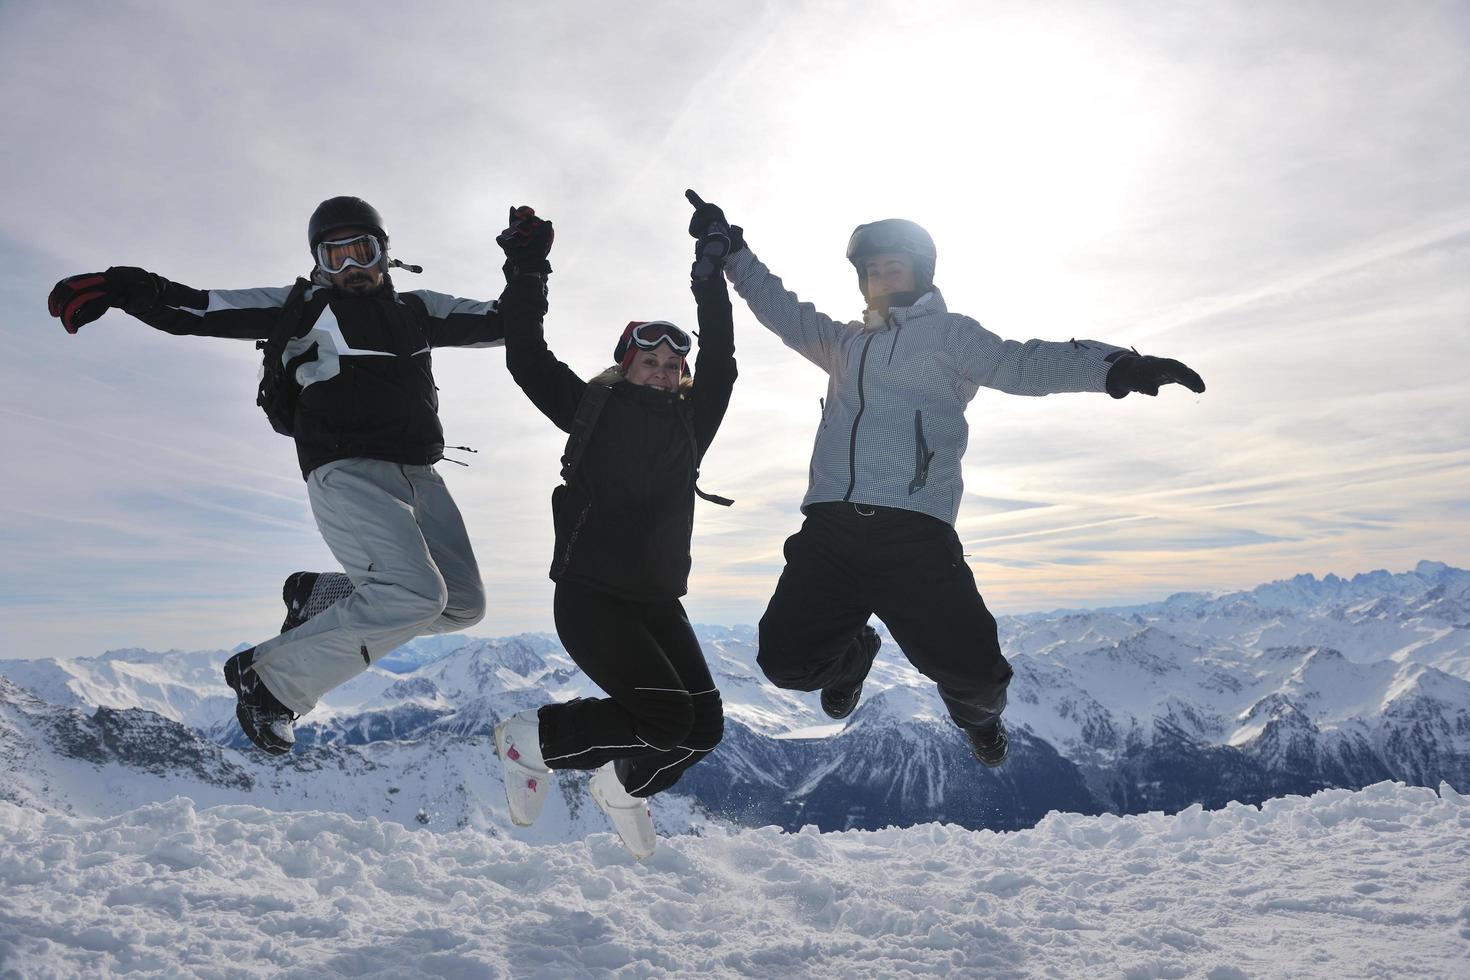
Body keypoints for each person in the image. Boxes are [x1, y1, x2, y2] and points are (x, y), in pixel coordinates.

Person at [696, 200, 1205, 768]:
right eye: (871, 272)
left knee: (976, 673)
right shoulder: (843, 344)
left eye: (892, 268)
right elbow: (782, 310)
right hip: (830, 531)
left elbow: (1023, 364)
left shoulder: (948, 337)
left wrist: (1116, 367)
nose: (880, 280)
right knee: (786, 662)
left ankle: (980, 721)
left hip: (913, 534)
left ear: (920, 271)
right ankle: (856, 655)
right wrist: (734, 252)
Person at [46, 196, 506, 755]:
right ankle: (269, 680)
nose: (351, 267)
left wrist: (528, 267)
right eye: (334, 257)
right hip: (344, 467)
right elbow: (199, 309)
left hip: (420, 473)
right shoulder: (300, 307)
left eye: (362, 250)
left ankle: (318, 595)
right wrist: (125, 288)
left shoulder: (418, 310)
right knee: (413, 594)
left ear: (385, 253)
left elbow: (508, 324)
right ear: (318, 263)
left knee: (460, 605)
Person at [489, 194, 736, 859]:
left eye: (671, 365)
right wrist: (528, 268)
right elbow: (526, 358)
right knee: (667, 716)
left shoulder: (692, 425)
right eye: (647, 361)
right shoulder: (591, 411)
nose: (662, 371)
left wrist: (709, 274)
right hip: (594, 594)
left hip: (657, 600)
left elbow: (724, 363)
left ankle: (624, 788)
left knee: (703, 727)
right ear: (625, 366)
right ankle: (531, 741)